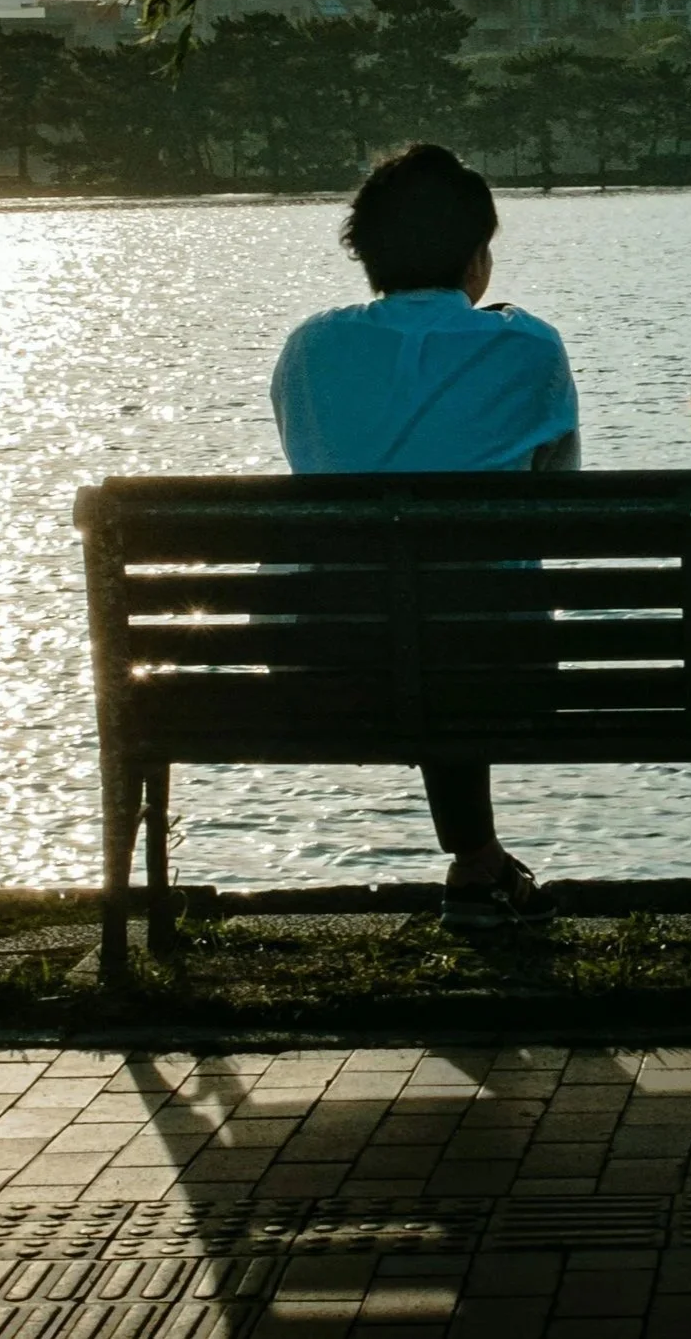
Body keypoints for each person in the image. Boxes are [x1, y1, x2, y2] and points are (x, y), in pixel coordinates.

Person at [271, 143, 578, 929]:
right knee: (457, 605)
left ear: (365, 253)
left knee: (412, 601)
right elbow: (560, 500)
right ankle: (478, 865)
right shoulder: (529, 346)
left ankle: (477, 863)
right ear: (477, 255)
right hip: (493, 662)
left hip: (326, 662)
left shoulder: (309, 350)